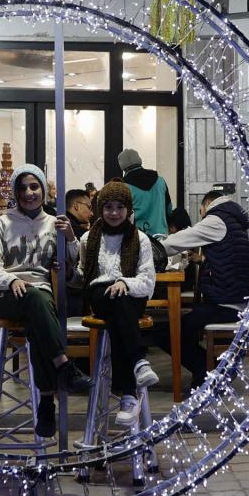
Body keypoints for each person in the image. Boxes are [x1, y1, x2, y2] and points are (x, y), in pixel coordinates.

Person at [0, 163, 93, 438]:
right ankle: (64, 367)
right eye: (23, 188)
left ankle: (46, 402)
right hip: (4, 293)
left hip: (39, 296)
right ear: (15, 192)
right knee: (36, 298)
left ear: (43, 189)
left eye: (34, 187)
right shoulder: (2, 223)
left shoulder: (54, 223)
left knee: (38, 313)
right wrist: (12, 280)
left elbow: (71, 268)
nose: (29, 193)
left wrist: (69, 238)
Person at [80, 181, 160, 426]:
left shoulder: (141, 239)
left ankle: (128, 394)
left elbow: (147, 282)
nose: (114, 213)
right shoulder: (87, 239)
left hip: (130, 297)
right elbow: (84, 276)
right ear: (100, 208)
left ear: (128, 209)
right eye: (108, 207)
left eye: (119, 207)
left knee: (119, 307)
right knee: (113, 299)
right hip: (99, 295)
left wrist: (124, 282)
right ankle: (136, 368)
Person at [159, 188, 249, 389]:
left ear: (206, 205)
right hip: (235, 299)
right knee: (185, 323)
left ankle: (211, 369)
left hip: (227, 304)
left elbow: (178, 241)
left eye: (201, 212)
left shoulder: (216, 220)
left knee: (167, 331)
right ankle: (206, 371)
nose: (202, 217)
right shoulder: (233, 221)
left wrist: (150, 248)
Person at [119, 148, 172, 237]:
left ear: (122, 167)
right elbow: (169, 209)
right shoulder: (160, 181)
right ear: (140, 161)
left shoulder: (123, 187)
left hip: (137, 238)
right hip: (161, 237)